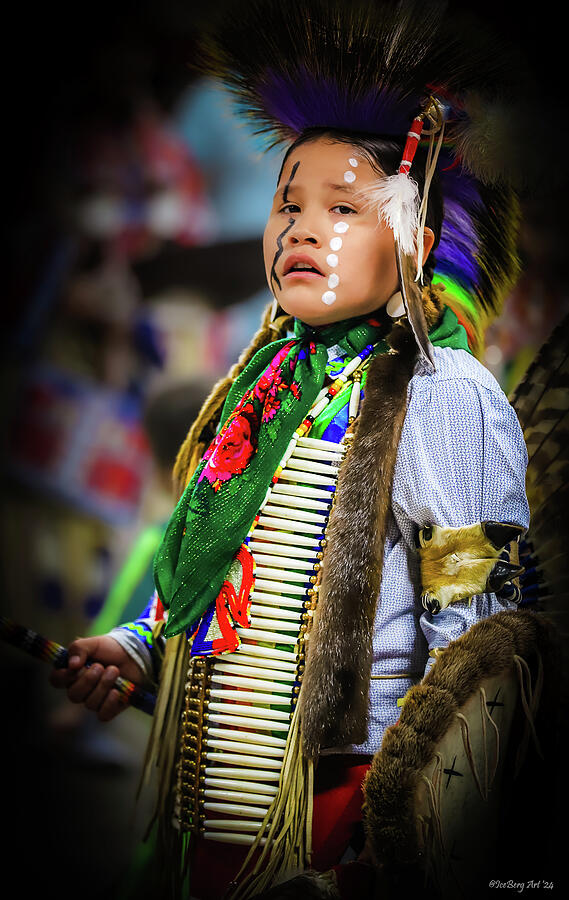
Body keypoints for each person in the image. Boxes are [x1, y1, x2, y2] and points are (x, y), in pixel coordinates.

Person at [50, 2, 532, 897]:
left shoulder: (440, 392)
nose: (302, 229)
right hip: (219, 793)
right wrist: (141, 646)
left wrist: (419, 824)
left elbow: (476, 636)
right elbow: (225, 573)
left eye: (344, 207)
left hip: (346, 812)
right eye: (288, 204)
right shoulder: (264, 381)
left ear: (415, 246)